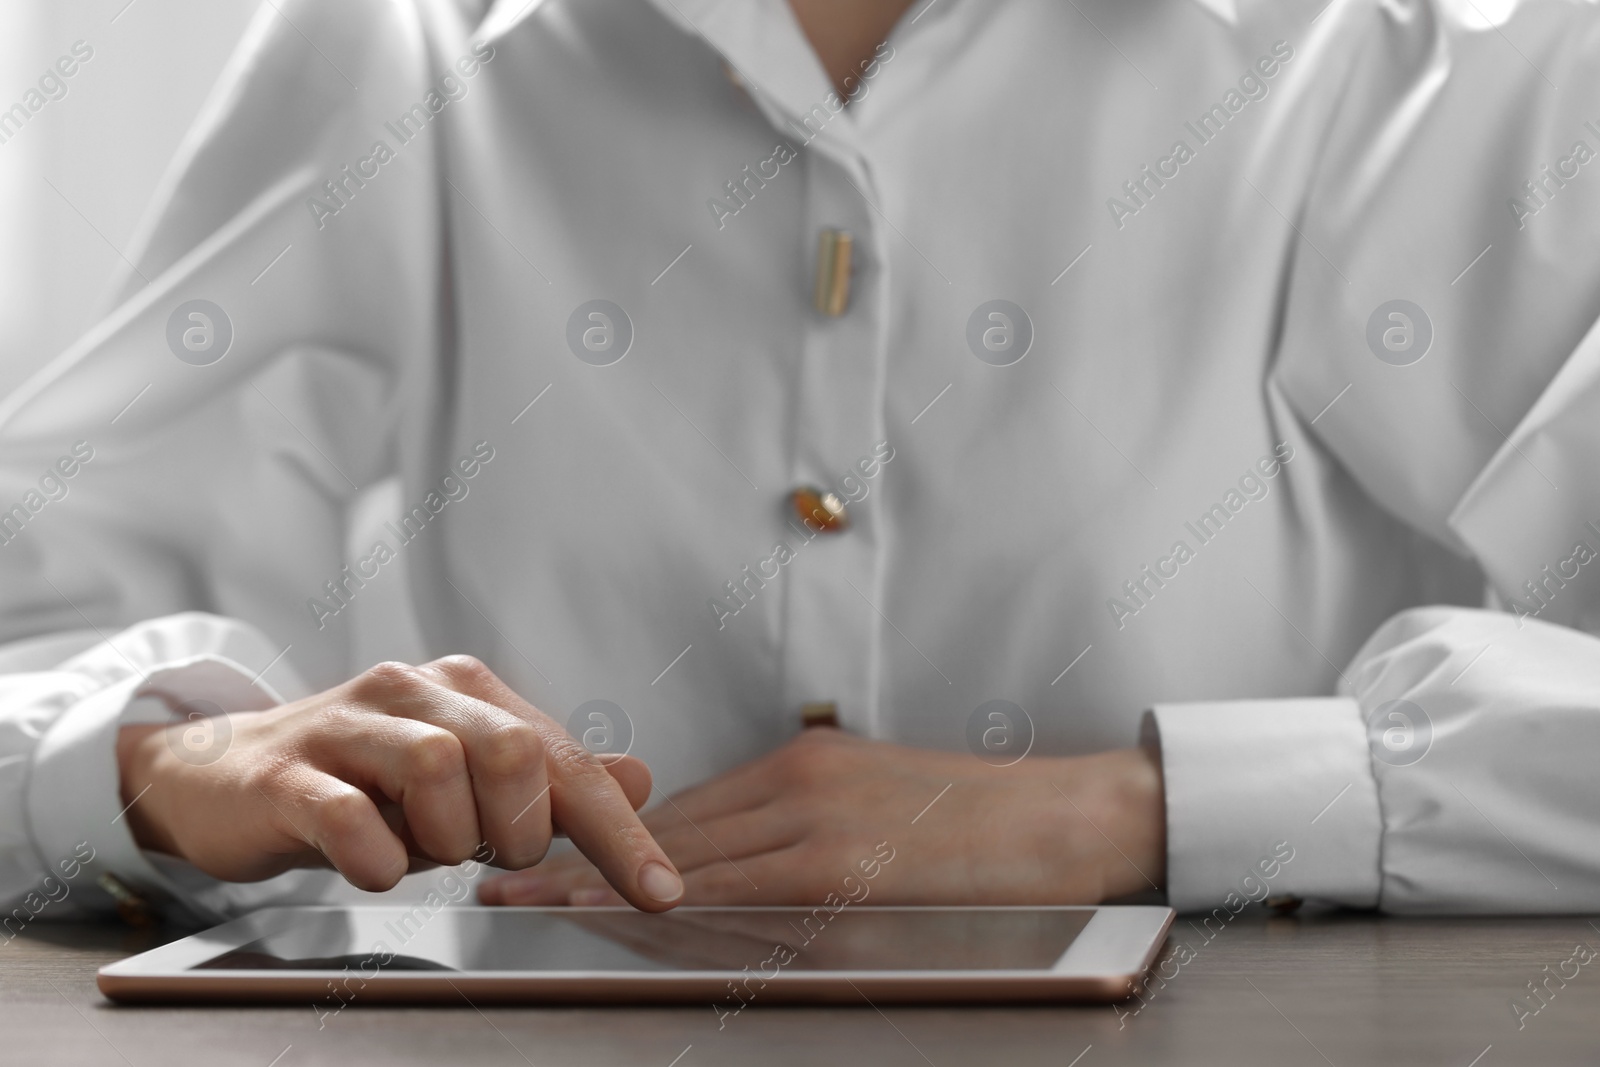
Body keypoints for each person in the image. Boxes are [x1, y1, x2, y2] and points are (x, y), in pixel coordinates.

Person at [3, 0, 1599, 927]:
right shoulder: (393, 44)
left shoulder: (1451, 63)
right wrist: (154, 764)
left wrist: (1145, 810)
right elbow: (39, 635)